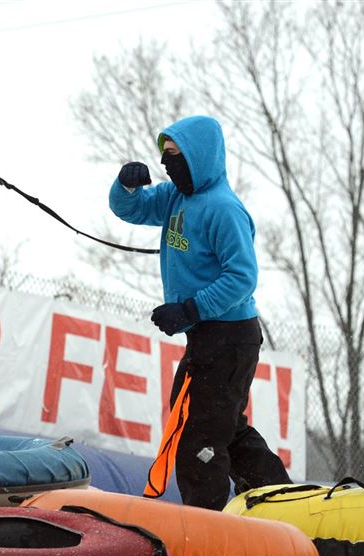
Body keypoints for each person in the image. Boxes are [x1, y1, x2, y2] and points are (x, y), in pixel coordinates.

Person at [109, 115, 290, 510]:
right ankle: (282, 499)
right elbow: (132, 209)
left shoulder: (224, 209)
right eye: (165, 157)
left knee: (199, 437)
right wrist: (125, 184)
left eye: (175, 156)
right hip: (206, 335)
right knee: (222, 427)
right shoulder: (176, 196)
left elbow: (242, 277)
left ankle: (204, 535)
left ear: (200, 157)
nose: (167, 165)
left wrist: (191, 308)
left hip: (232, 337)